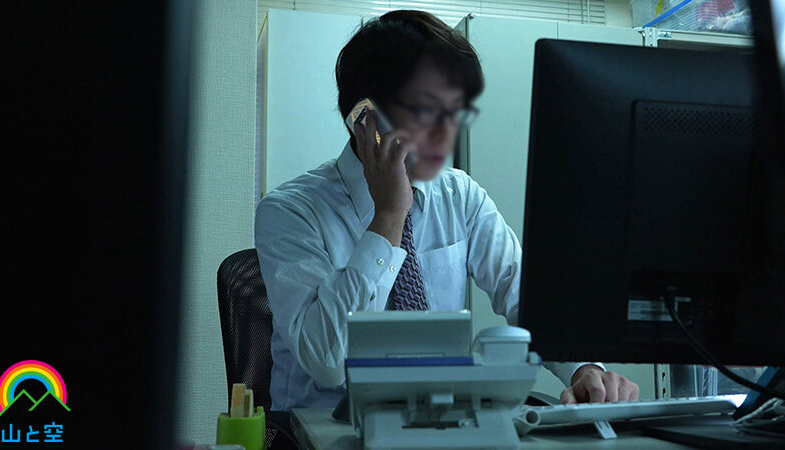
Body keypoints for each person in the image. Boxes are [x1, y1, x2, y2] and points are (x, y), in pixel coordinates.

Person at [255, 9, 640, 412]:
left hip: (440, 419)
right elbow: (328, 363)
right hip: (325, 428)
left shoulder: (459, 195)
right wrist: (389, 217)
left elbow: (524, 295)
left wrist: (584, 368)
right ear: (364, 119)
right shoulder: (289, 213)